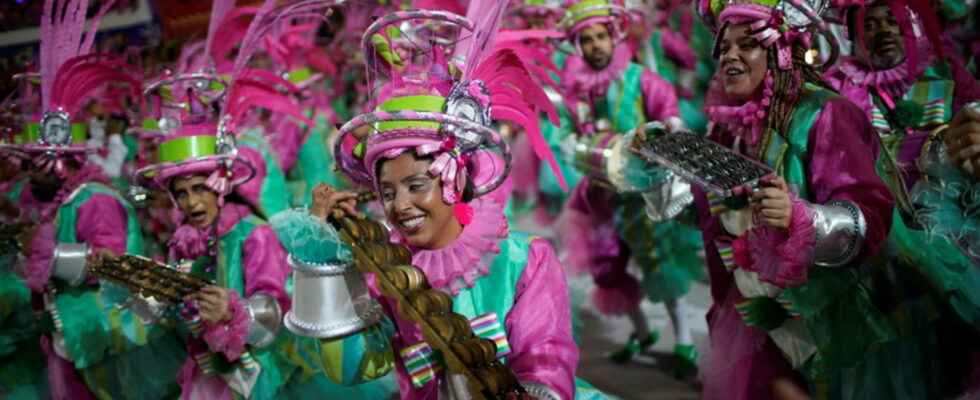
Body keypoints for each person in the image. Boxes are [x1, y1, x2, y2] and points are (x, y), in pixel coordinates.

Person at [276, 3, 607, 399]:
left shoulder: (523, 261)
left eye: (417, 186)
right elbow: (353, 367)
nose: (399, 206)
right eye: (387, 192)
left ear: (455, 178)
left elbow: (545, 360)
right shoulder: (384, 275)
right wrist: (322, 261)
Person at [823, 1, 980, 395]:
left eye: (893, 21)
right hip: (879, 247)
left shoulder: (946, 78)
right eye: (871, 24)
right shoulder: (840, 90)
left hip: (950, 245)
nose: (883, 31)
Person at [557, 0, 703, 374]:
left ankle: (684, 341)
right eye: (586, 40)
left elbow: (671, 118)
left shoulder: (641, 79)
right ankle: (641, 333)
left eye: (601, 37)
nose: (595, 46)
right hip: (601, 195)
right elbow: (568, 134)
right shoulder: (576, 91)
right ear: (578, 45)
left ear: (614, 36)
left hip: (645, 194)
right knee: (608, 267)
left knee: (660, 265)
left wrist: (654, 134)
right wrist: (580, 148)